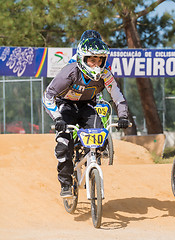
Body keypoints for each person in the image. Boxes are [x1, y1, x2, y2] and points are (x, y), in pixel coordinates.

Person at [43, 37, 130, 198]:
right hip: (66, 106)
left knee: (101, 138)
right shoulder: (69, 72)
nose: (96, 64)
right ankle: (66, 184)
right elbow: (48, 96)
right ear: (83, 58)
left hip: (87, 106)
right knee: (63, 145)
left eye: (99, 60)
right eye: (92, 60)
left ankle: (90, 159)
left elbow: (118, 97)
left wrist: (123, 116)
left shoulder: (106, 74)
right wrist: (57, 119)